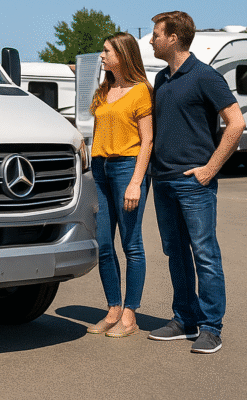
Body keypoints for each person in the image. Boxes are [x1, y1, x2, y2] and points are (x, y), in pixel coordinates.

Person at [145, 11, 245, 354]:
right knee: (176, 253)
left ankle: (211, 327)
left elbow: (236, 123)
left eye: (156, 34)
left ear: (173, 37)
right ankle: (184, 319)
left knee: (204, 254)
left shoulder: (206, 76)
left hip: (194, 184)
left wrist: (210, 169)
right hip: (164, 182)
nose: (151, 39)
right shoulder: (161, 78)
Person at [85, 32, 153, 338]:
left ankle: (130, 314)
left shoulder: (141, 91)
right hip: (100, 167)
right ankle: (113, 309)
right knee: (102, 242)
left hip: (128, 168)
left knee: (131, 244)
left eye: (106, 51)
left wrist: (136, 182)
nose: (102, 56)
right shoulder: (103, 91)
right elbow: (98, 133)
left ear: (122, 56)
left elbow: (148, 140)